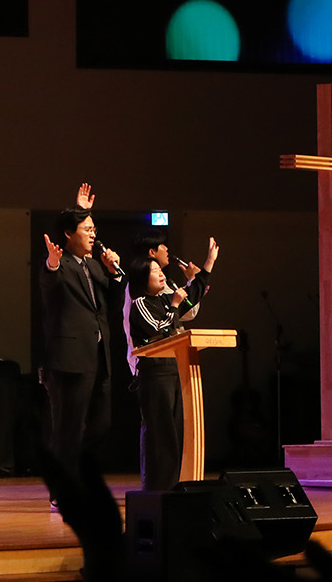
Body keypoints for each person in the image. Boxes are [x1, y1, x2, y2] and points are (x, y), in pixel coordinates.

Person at [39, 205, 123, 506]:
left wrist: (114, 273)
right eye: (87, 229)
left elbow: (111, 303)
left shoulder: (95, 266)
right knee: (68, 427)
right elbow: (49, 283)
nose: (93, 234)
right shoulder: (59, 264)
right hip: (69, 358)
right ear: (68, 234)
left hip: (98, 355)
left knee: (101, 423)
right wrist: (52, 262)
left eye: (93, 229)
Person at [124, 252, 213, 491]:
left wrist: (208, 265)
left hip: (175, 368)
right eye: (155, 271)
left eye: (160, 270)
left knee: (176, 431)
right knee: (161, 434)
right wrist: (174, 305)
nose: (161, 274)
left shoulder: (164, 300)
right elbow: (158, 330)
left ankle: (177, 486)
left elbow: (192, 296)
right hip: (155, 374)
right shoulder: (140, 303)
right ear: (143, 278)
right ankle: (158, 490)